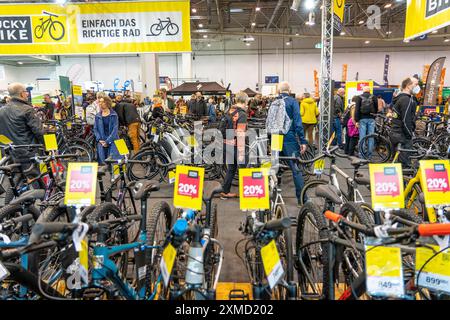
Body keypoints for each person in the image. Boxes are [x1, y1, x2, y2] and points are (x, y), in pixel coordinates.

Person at [0, 83, 44, 178]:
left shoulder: (1, 110)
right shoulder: (27, 110)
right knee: (34, 179)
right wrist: (49, 148)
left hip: (9, 152)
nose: (27, 94)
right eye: (26, 91)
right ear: (21, 94)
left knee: (15, 180)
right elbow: (39, 132)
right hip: (27, 152)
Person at [277, 82, 308, 206]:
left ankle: (273, 196)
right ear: (289, 90)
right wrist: (302, 140)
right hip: (288, 137)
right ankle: (302, 199)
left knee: (274, 166)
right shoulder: (292, 102)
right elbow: (297, 122)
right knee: (295, 168)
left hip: (275, 137)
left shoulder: (274, 102)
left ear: (279, 90)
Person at [220, 91, 248, 199]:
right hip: (237, 145)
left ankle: (225, 191)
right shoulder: (242, 114)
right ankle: (247, 194)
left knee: (231, 168)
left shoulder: (228, 111)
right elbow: (240, 133)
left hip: (227, 144)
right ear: (245, 101)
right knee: (243, 169)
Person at [390, 77, 420, 167]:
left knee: (397, 162)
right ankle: (403, 181)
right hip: (402, 135)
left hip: (396, 133)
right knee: (404, 164)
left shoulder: (399, 98)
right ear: (408, 86)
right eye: (416, 84)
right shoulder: (406, 100)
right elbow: (406, 120)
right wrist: (409, 134)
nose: (417, 87)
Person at [94, 96, 121, 164]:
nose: (100, 103)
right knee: (103, 161)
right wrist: (99, 139)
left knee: (114, 161)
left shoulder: (114, 115)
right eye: (99, 102)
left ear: (107, 103)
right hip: (101, 140)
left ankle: (115, 173)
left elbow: (115, 130)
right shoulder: (97, 116)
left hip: (113, 139)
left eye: (102, 102)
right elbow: (95, 129)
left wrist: (107, 141)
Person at [355, 86, 378, 159]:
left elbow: (357, 109)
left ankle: (362, 155)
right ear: (369, 90)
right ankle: (369, 155)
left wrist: (356, 120)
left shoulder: (359, 97)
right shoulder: (374, 97)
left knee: (362, 137)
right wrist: (374, 117)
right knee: (371, 137)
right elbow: (376, 108)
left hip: (362, 119)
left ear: (363, 90)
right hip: (371, 119)